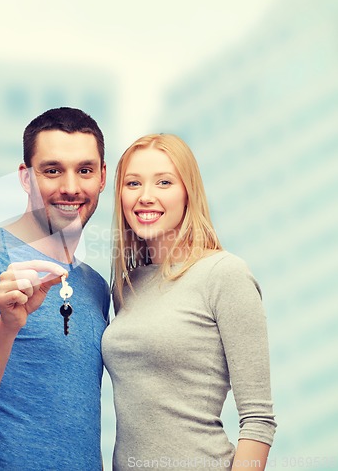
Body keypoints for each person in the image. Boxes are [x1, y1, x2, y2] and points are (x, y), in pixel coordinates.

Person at [0, 107, 110, 470]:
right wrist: (7, 326)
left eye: (85, 170)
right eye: (52, 170)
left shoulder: (97, 286)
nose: (71, 187)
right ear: (25, 177)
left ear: (103, 177)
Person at [102, 134, 276, 470]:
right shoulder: (127, 286)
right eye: (133, 183)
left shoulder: (225, 274)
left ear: (187, 193)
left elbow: (258, 418)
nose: (145, 196)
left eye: (164, 182)